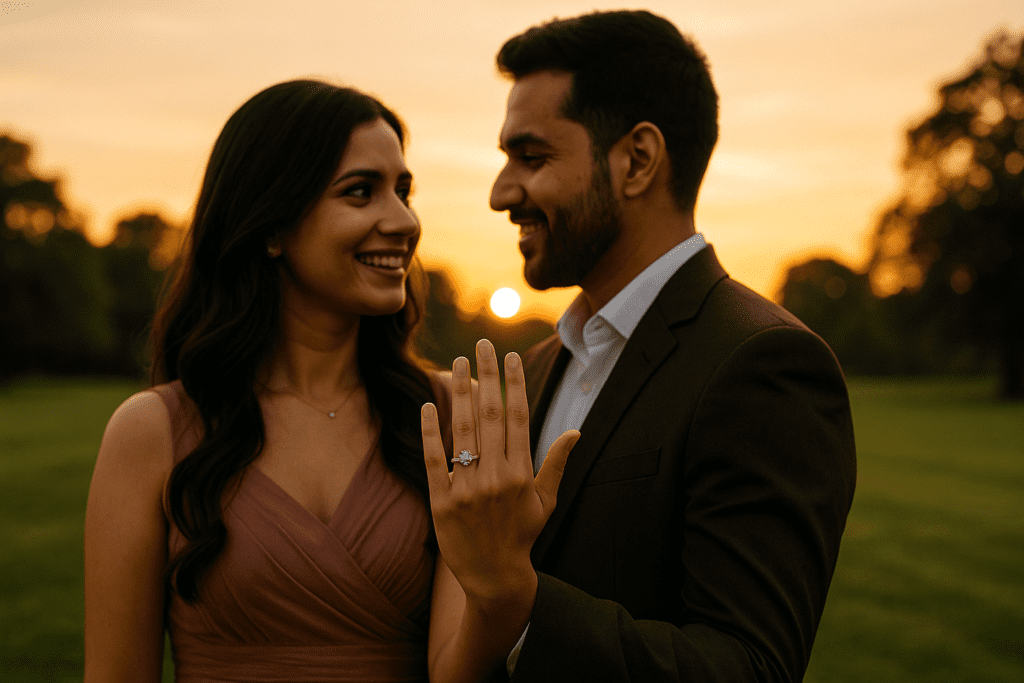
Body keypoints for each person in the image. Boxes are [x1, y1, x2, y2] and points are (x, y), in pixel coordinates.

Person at [421, 10, 858, 683]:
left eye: (531, 156)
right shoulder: (536, 368)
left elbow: (750, 666)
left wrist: (519, 602)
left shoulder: (763, 363)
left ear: (637, 159)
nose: (500, 192)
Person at [84, 79, 463, 683]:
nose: (404, 221)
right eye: (361, 192)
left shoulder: (448, 415)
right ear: (271, 225)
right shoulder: (153, 431)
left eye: (404, 191)